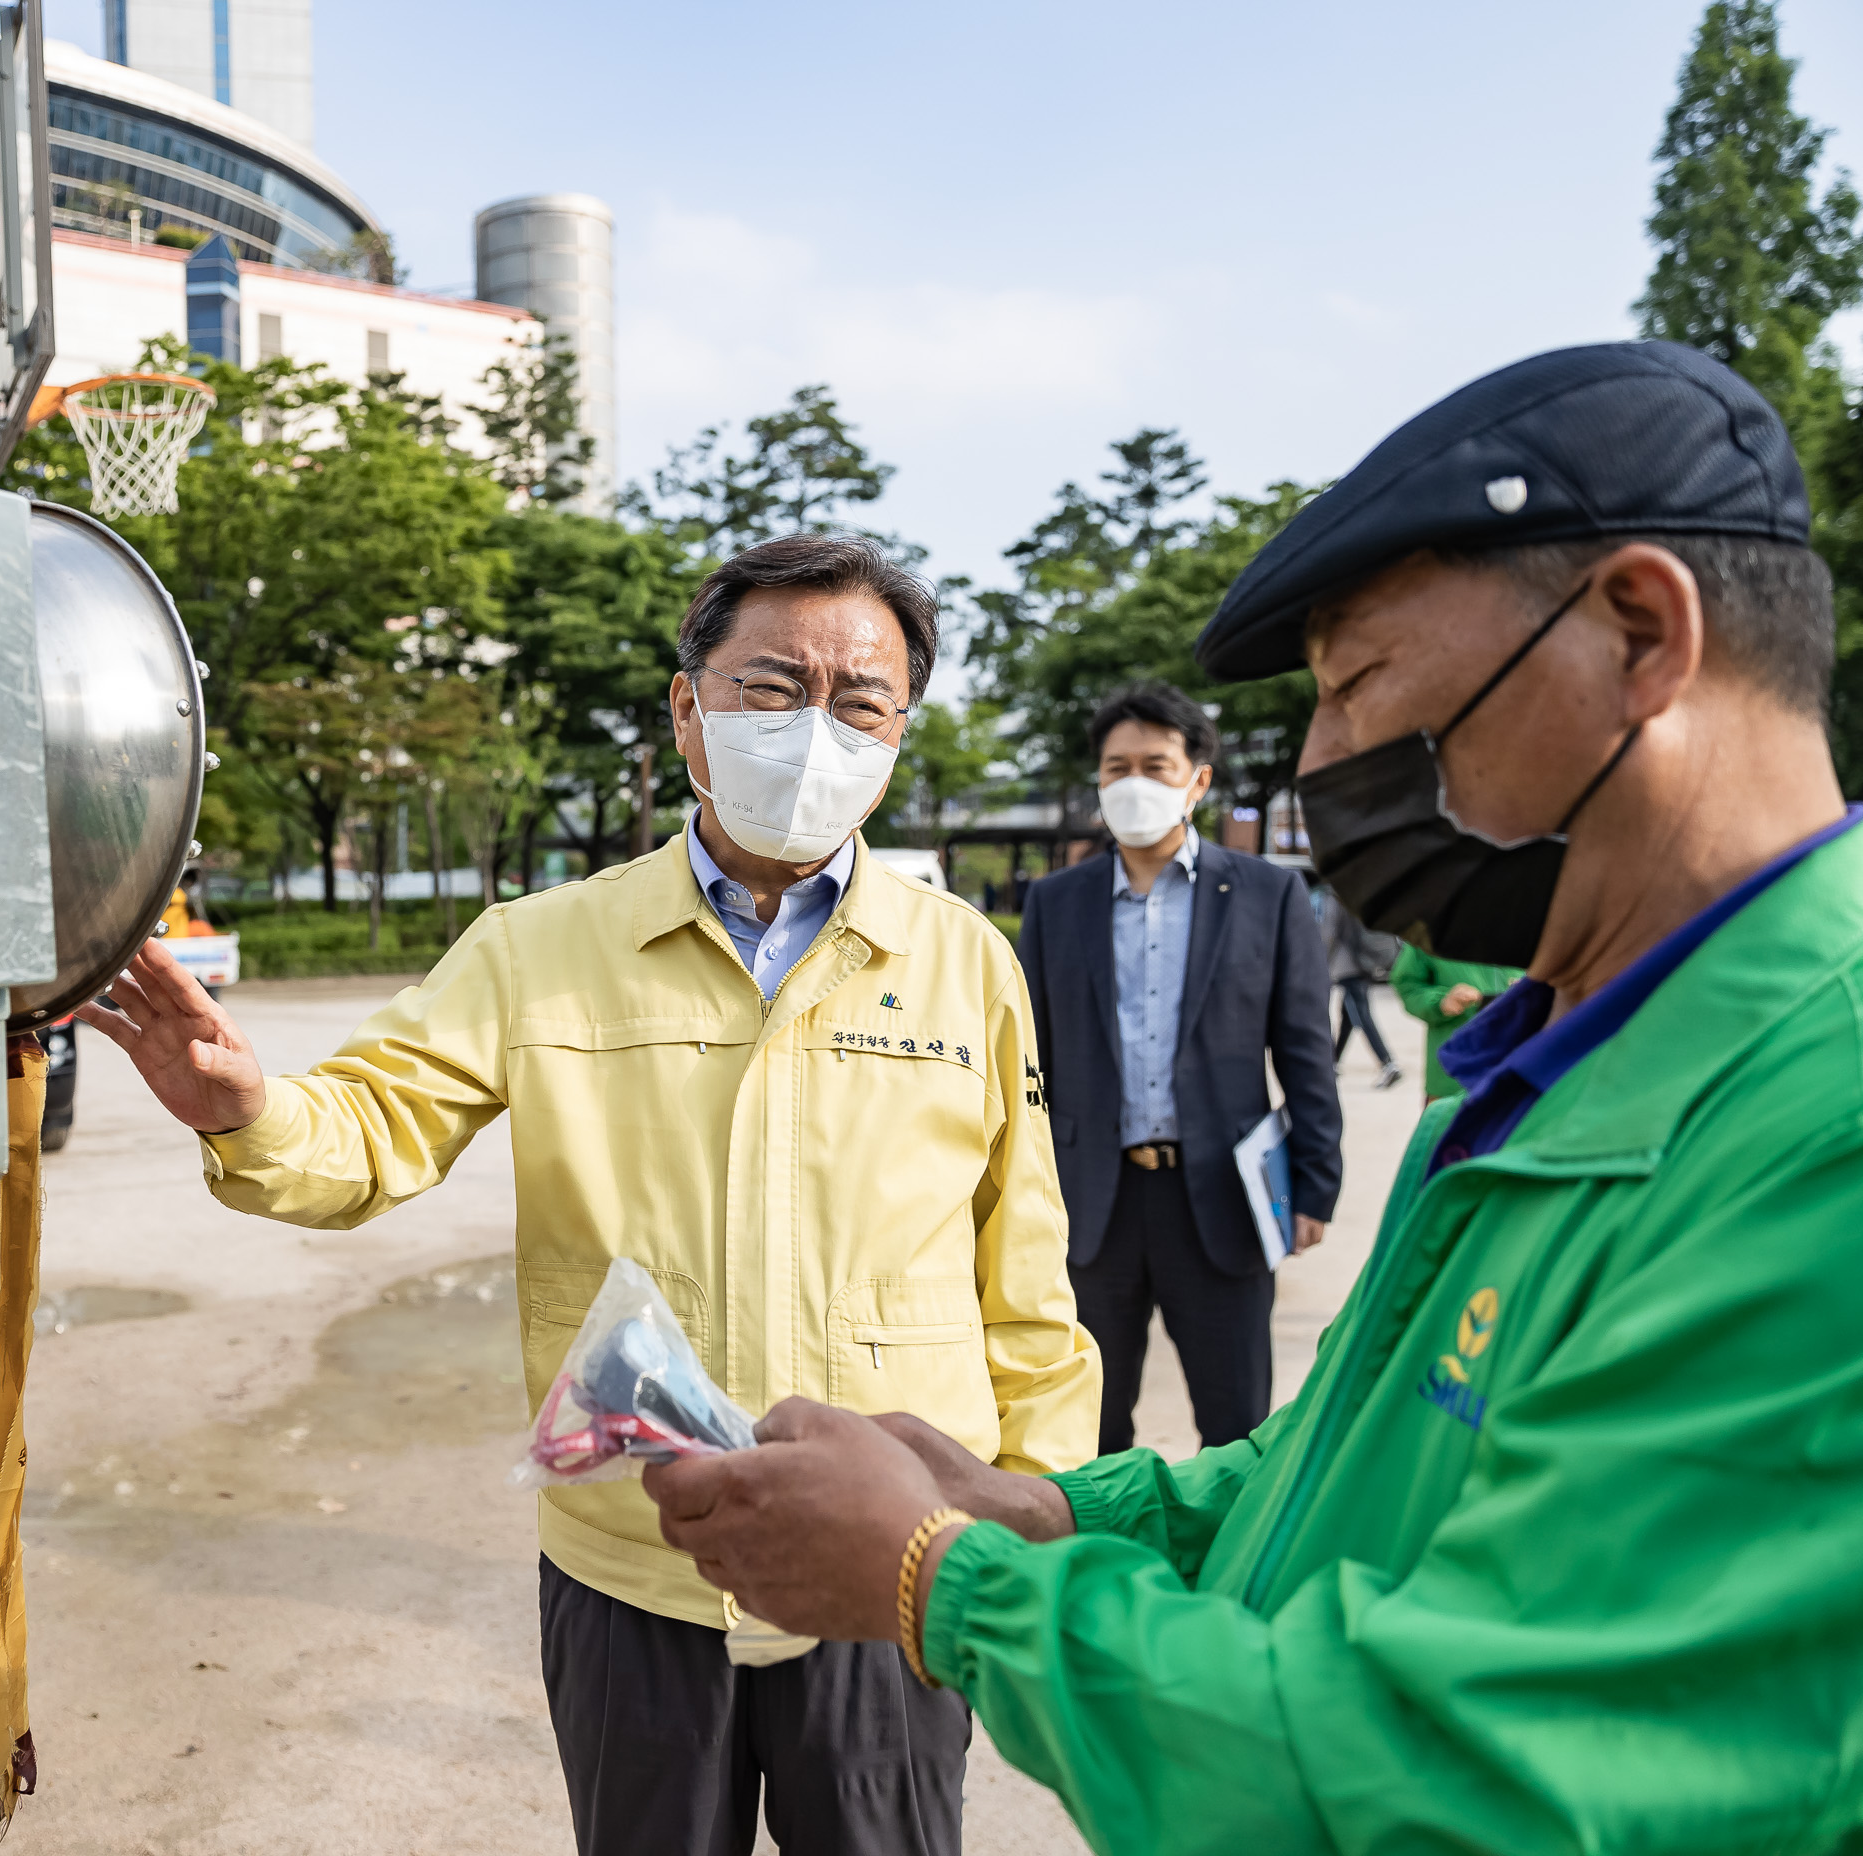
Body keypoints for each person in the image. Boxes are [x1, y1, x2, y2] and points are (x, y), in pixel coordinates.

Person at [628, 340, 1863, 1852]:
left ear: (1637, 635)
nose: (1328, 758)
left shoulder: (1821, 1129)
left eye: (1360, 686)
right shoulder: (1562, 1055)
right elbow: (1348, 1452)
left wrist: (939, 1581)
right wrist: (1060, 1513)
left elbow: (1452, 1784)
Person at [81, 534, 1098, 1856]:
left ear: (900, 731)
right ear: (688, 710)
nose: (813, 731)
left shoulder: (966, 961)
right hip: (636, 1558)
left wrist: (1038, 1508)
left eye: (859, 704)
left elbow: (1022, 1280)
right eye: (772, 688)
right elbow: (374, 1122)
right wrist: (253, 1112)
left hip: (886, 1546)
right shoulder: (543, 946)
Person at [1015, 683, 1340, 1456]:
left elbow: (1304, 1048)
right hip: (1092, 1203)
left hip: (1223, 1199)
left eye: (1156, 765)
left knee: (1237, 1429)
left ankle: (1227, 1574)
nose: (1134, 783)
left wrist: (1315, 1182)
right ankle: (1099, 1573)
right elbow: (1028, 1064)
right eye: (1116, 766)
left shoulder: (1267, 893)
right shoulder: (1057, 903)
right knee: (1090, 1425)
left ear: (1198, 779)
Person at [1387, 943, 1523, 1102]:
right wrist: (1440, 1001)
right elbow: (1408, 984)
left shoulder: (1535, 924)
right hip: (1453, 1077)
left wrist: (1536, 988)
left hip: (1521, 1071)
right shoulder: (1433, 929)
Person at [1319, 887, 1404, 1088]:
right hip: (1364, 961)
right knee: (1348, 1016)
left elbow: (1329, 932)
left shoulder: (1335, 896)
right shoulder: (1358, 892)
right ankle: (1332, 1063)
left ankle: (1387, 1063)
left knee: (1361, 1016)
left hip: (1348, 967)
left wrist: (1319, 962)